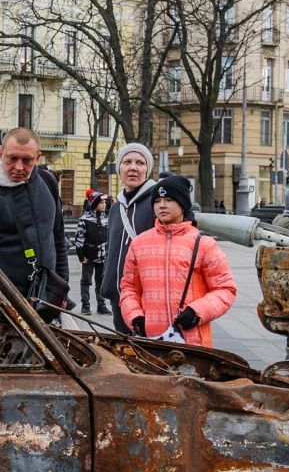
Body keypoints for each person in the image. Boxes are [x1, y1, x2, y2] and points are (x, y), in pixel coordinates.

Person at [119, 175, 236, 347]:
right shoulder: (139, 244)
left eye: (169, 199)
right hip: (150, 342)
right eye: (157, 200)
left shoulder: (204, 244)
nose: (162, 205)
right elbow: (129, 288)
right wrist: (135, 316)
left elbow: (226, 289)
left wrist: (197, 312)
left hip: (193, 342)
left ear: (183, 204)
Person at [0, 128, 69, 312]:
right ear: (0, 153)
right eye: (12, 159)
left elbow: (58, 238)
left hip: (45, 301)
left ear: (37, 158)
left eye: (27, 160)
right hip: (0, 305)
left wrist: (62, 290)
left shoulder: (48, 182)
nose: (19, 167)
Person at [100, 143, 158, 334]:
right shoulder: (116, 208)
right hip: (117, 295)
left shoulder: (156, 203)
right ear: (119, 169)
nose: (133, 167)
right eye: (127, 162)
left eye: (140, 163)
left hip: (145, 298)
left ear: (147, 170)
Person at [74, 192, 110, 316]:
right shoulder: (85, 219)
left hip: (103, 255)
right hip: (88, 255)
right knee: (86, 280)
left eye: (105, 202)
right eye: (101, 202)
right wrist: (80, 254)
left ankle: (101, 305)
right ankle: (85, 305)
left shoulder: (107, 219)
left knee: (100, 281)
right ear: (94, 204)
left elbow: (109, 237)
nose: (104, 205)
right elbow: (79, 237)